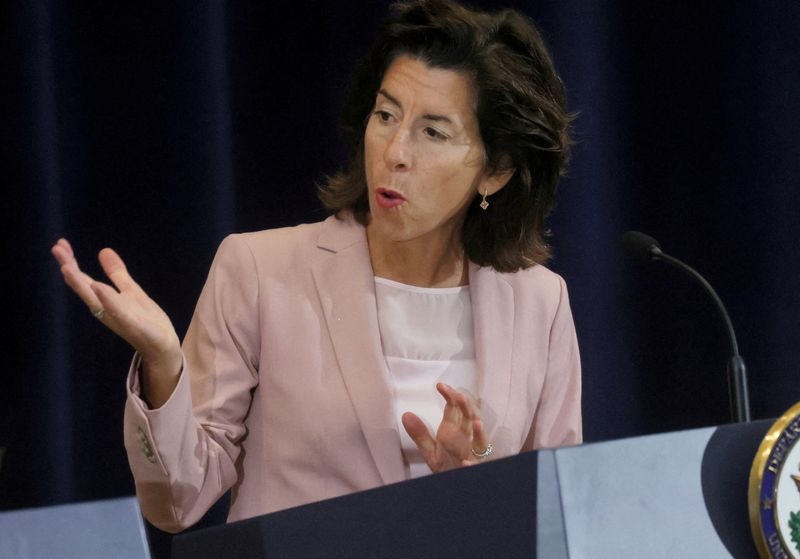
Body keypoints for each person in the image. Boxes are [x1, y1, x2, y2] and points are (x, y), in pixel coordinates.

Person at [51, 0, 581, 533]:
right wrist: (164, 363)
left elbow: (561, 521)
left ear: (495, 172)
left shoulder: (540, 302)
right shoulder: (260, 270)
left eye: (433, 132)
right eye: (386, 115)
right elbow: (175, 504)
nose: (396, 150)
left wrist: (471, 487)